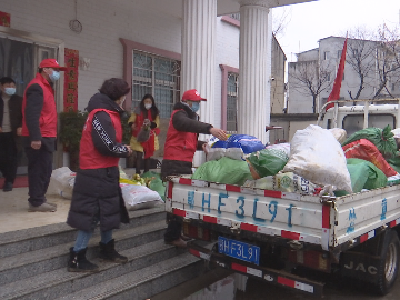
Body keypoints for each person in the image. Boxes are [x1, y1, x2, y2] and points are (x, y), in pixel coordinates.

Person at [67, 78, 132, 273]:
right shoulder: (101, 115)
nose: (124, 99)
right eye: (123, 95)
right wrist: (125, 150)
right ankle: (77, 256)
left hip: (106, 171)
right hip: (95, 173)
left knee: (109, 211)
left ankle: (107, 248)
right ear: (117, 95)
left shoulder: (108, 113)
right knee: (92, 214)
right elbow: (107, 145)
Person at [161, 89, 228, 248]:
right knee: (178, 200)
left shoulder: (189, 116)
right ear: (188, 103)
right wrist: (210, 128)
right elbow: (184, 125)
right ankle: (172, 235)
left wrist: (201, 145)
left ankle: (176, 232)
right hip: (174, 163)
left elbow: (185, 140)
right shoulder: (179, 115)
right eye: (196, 102)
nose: (198, 105)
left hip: (183, 162)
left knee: (181, 200)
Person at [21, 59, 67, 211]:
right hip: (39, 135)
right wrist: (35, 137)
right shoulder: (37, 86)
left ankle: (40, 198)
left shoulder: (46, 87)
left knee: (45, 169)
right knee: (39, 170)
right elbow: (32, 114)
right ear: (45, 69)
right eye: (55, 69)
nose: (57, 73)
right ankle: (36, 202)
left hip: (47, 134)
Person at [128, 94, 160, 175]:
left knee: (148, 155)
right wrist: (132, 124)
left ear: (152, 103)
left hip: (150, 136)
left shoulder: (154, 112)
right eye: (146, 101)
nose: (148, 103)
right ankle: (137, 173)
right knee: (139, 155)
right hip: (138, 135)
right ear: (143, 102)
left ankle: (146, 173)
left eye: (149, 102)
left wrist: (150, 124)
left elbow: (157, 124)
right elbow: (131, 119)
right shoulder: (137, 111)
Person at [0, 77, 23, 192]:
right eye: (8, 86)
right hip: (1, 134)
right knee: (2, 158)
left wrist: (21, 126)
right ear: (1, 87)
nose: (11, 88)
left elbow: (25, 116)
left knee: (12, 158)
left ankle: (9, 181)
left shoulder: (19, 100)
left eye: (13, 86)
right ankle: (5, 175)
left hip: (13, 134)